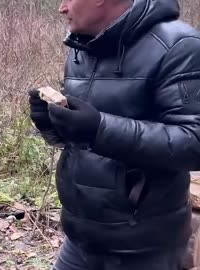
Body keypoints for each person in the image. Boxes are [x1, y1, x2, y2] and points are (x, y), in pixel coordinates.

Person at [28, 0, 200, 269]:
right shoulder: (81, 48)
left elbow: (194, 142)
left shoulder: (180, 46)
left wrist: (99, 128)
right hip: (79, 239)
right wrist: (50, 124)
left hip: (144, 249)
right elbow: (80, 143)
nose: (61, 7)